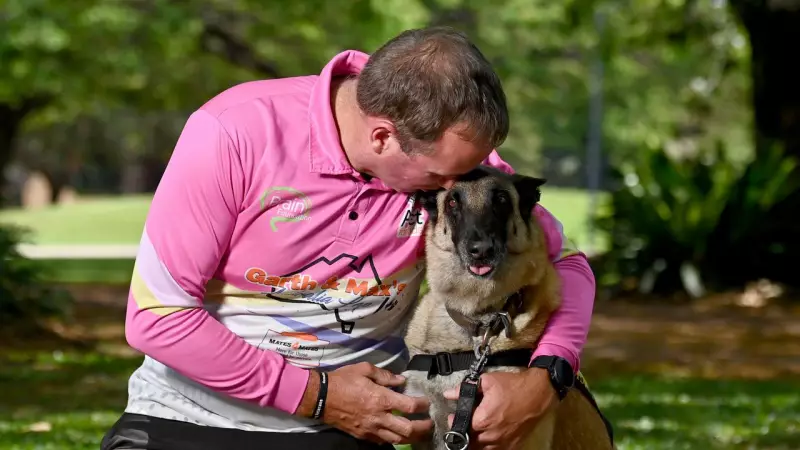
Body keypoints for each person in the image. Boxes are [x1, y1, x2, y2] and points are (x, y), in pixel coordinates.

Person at [100, 26, 596, 450]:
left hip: (345, 434)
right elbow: (157, 317)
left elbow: (569, 264)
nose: (454, 190)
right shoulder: (233, 133)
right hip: (186, 420)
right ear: (382, 137)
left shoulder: (454, 163)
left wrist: (545, 380)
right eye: (439, 177)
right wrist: (317, 395)